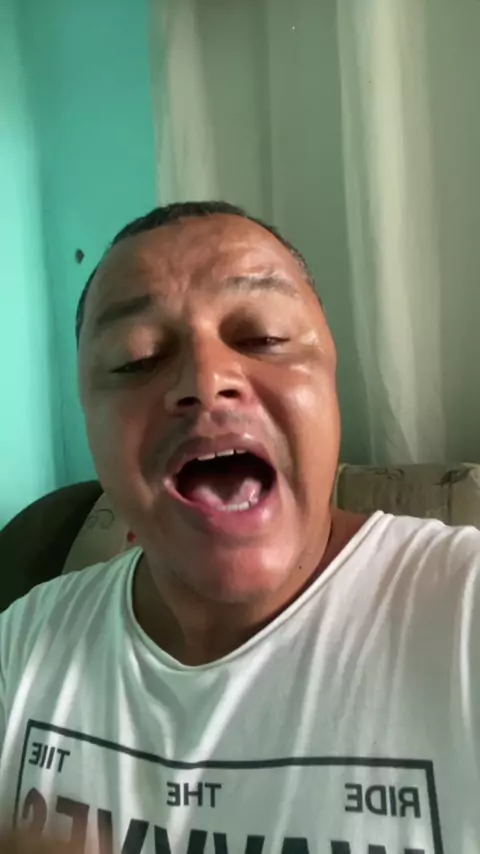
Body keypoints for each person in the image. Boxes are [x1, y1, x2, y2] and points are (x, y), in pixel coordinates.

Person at [0, 201, 478, 854]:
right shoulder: (23, 646)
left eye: (263, 337)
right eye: (137, 358)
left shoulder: (463, 613)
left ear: (331, 377)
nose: (205, 379)